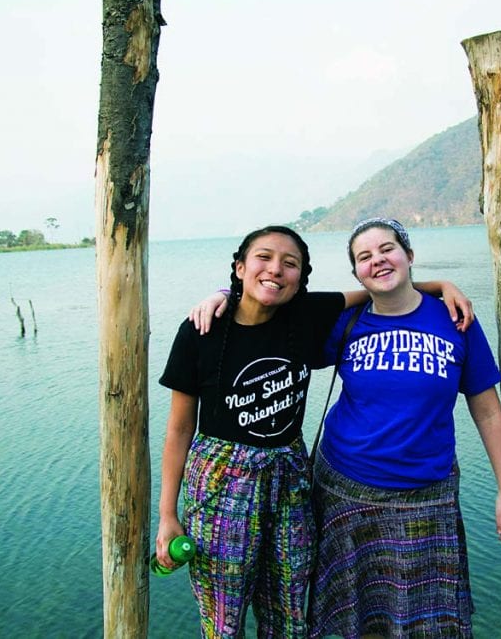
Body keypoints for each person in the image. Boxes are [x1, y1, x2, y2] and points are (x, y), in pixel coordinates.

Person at [155, 225, 474, 639]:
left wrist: (441, 285)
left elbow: (377, 290)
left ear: (301, 279)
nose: (275, 270)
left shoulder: (307, 316)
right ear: (239, 267)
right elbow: (180, 429)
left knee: (290, 607)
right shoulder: (202, 330)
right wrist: (166, 514)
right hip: (222, 482)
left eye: (290, 264)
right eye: (263, 258)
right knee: (224, 614)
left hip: (289, 478)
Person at [307, 218, 501, 639]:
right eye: (364, 257)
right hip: (345, 491)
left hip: (428, 496)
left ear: (409, 255)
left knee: (428, 620)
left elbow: (488, 410)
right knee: (360, 613)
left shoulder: (455, 320)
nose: (378, 261)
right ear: (355, 274)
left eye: (387, 249)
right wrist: (225, 294)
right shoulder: (347, 322)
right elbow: (276, 319)